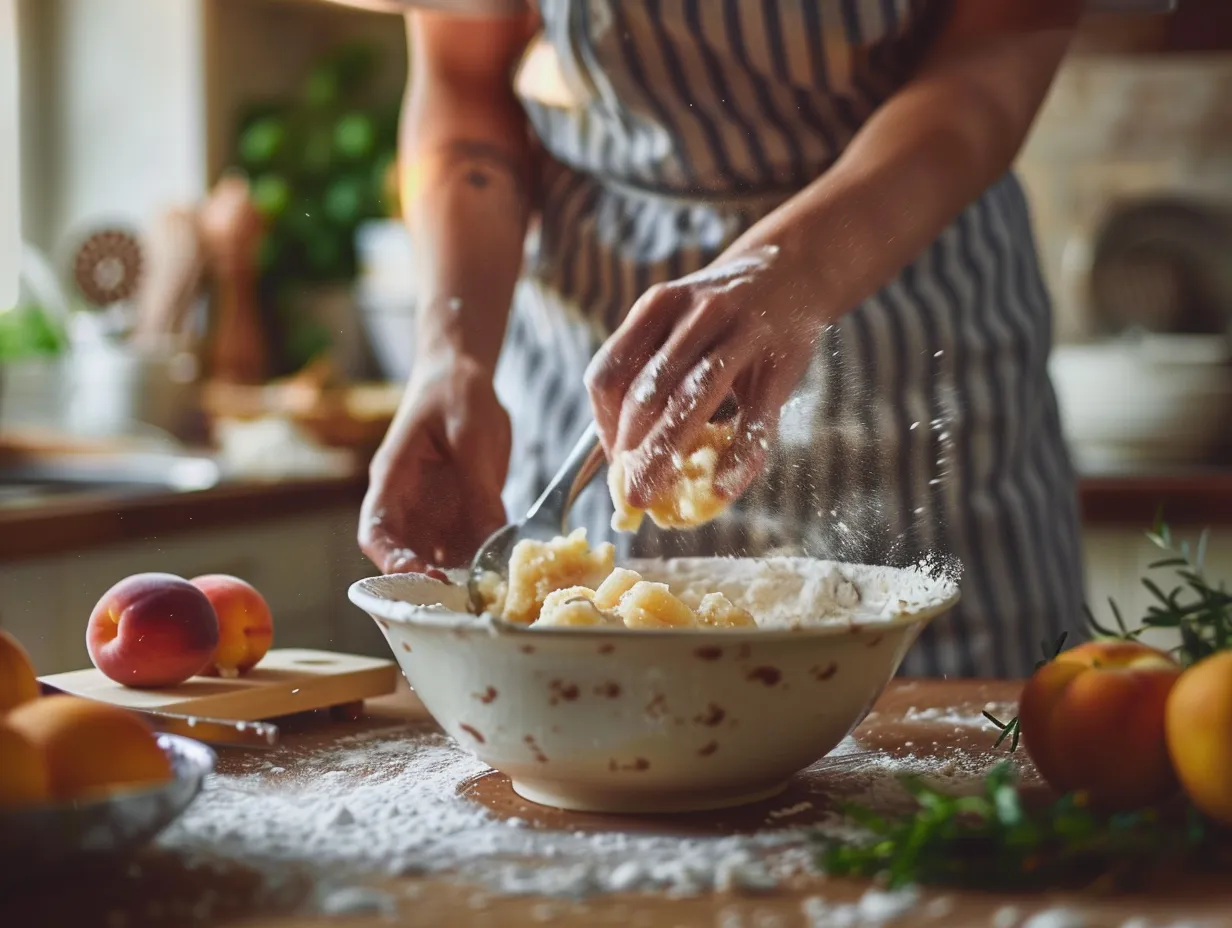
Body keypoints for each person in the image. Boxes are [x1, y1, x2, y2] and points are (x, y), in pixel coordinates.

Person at [351, 0, 1087, 679]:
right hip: (584, 327)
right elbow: (463, 83)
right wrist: (452, 357)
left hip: (909, 296)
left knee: (956, 770)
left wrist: (797, 267)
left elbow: (1004, 45)